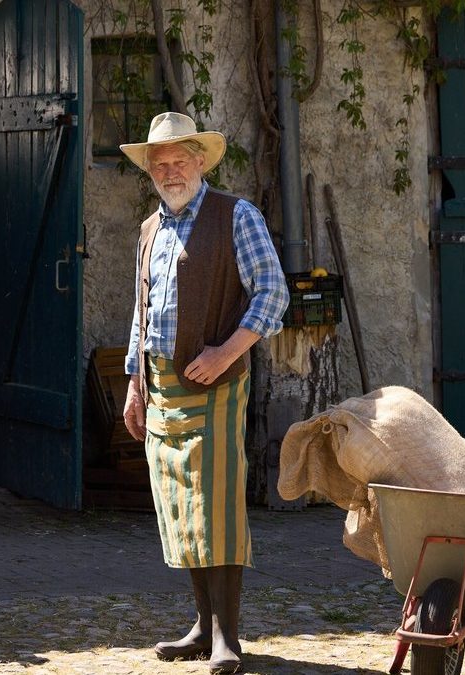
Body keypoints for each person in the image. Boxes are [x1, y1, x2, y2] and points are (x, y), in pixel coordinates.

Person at [120, 112, 288, 673]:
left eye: (179, 160)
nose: (170, 171)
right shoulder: (150, 229)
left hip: (216, 384)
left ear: (200, 162)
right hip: (161, 388)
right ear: (151, 171)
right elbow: (141, 313)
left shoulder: (236, 215)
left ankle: (226, 638)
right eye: (160, 164)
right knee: (180, 507)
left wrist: (226, 352)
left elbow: (273, 293)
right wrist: (135, 384)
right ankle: (200, 625)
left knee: (215, 506)